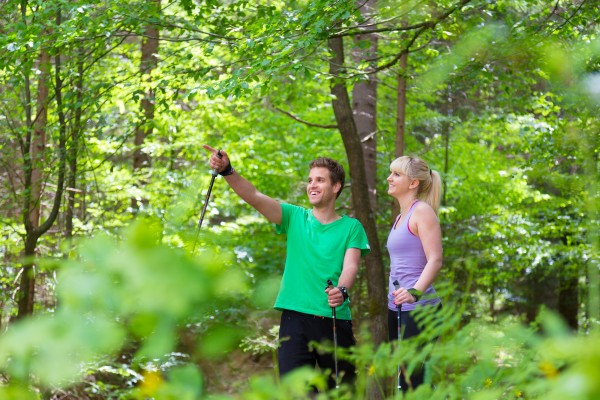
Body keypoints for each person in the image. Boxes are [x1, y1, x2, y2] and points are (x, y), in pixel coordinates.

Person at [203, 145, 370, 391]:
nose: (312, 185)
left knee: (341, 393)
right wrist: (228, 170)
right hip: (294, 319)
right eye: (310, 180)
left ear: (336, 187)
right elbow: (255, 196)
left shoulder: (351, 227)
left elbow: (351, 265)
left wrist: (342, 290)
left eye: (320, 180)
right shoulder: (294, 217)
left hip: (334, 320)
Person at [386, 155, 443, 392]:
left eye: (396, 174)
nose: (389, 178)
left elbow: (436, 259)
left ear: (413, 183)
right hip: (397, 308)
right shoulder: (401, 216)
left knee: (414, 384)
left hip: (419, 311)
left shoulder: (422, 212)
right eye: (391, 173)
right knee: (405, 382)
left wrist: (414, 292)